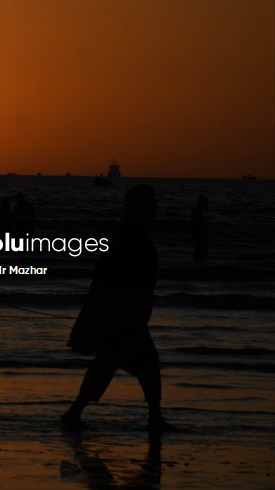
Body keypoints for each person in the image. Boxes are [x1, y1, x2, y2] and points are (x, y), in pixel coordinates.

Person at [62, 184, 171, 433]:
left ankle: (74, 413)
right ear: (140, 207)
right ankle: (154, 418)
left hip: (122, 315)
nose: (155, 209)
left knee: (110, 364)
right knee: (145, 366)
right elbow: (117, 278)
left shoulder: (128, 232)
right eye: (151, 204)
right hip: (124, 317)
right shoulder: (130, 235)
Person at [191, 195, 208, 260]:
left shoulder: (197, 211)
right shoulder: (197, 212)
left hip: (197, 236)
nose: (207, 205)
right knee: (200, 253)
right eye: (206, 203)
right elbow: (197, 226)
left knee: (198, 253)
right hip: (199, 237)